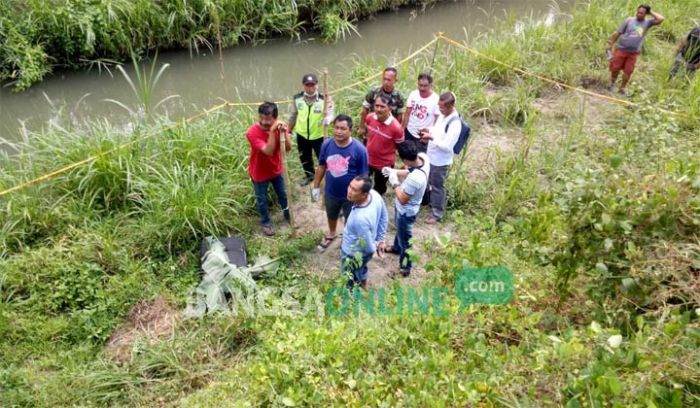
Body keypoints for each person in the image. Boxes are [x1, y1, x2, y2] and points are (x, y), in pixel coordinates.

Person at [311, 114, 369, 251]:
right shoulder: (326, 145)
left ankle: (348, 240)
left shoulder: (359, 149)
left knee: (351, 219)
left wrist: (361, 196)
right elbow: (321, 166)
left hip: (351, 196)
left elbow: (364, 176)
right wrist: (316, 187)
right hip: (331, 191)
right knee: (331, 213)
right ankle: (331, 234)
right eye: (336, 127)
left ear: (350, 130)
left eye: (343, 128)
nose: (339, 131)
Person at [382, 142, 430, 277]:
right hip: (405, 208)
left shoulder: (415, 179)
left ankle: (405, 267)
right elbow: (410, 170)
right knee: (400, 231)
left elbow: (403, 199)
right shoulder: (423, 158)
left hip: (406, 211)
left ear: (405, 160)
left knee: (406, 240)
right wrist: (394, 171)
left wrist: (394, 182)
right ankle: (396, 248)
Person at [245, 101, 292, 236]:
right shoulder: (252, 133)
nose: (264, 122)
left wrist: (285, 133)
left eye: (268, 120)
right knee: (262, 199)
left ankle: (288, 215)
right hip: (259, 172)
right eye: (262, 118)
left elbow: (288, 148)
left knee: (283, 194)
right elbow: (269, 151)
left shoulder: (280, 126)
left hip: (275, 168)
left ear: (275, 118)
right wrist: (272, 131)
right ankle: (266, 222)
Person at [420, 92, 460, 225]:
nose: (440, 109)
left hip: (440, 161)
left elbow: (447, 146)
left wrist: (431, 138)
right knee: (427, 181)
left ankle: (437, 213)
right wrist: (429, 130)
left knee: (437, 186)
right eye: (439, 106)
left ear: (450, 106)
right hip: (431, 156)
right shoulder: (443, 116)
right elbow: (438, 130)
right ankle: (427, 202)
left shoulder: (455, 124)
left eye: (442, 107)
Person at [341, 175, 388, 289]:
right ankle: (364, 285)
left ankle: (352, 297)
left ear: (364, 194)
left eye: (354, 190)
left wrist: (376, 245)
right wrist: (380, 240)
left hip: (353, 253)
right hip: (364, 252)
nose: (349, 191)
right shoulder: (374, 195)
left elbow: (369, 248)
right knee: (362, 268)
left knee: (349, 277)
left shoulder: (360, 219)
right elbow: (384, 216)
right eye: (350, 186)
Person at [606, 4, 664, 96]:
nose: (639, 14)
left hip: (633, 53)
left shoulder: (647, 23)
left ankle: (622, 88)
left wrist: (651, 12)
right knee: (615, 68)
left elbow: (661, 19)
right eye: (638, 12)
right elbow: (617, 33)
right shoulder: (629, 20)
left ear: (646, 14)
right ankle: (612, 84)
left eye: (642, 13)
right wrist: (610, 44)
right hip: (621, 49)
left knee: (628, 71)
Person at [288, 73, 334, 186]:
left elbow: (331, 113)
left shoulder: (325, 99)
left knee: (323, 158)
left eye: (312, 85)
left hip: (319, 136)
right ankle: (310, 175)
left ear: (317, 85)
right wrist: (288, 131)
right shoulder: (297, 99)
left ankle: (329, 177)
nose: (310, 87)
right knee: (305, 157)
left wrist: (328, 118)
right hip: (302, 135)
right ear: (303, 86)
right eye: (307, 85)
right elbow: (293, 116)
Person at [364, 95, 404, 196]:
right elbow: (367, 136)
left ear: (390, 108)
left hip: (384, 165)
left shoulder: (396, 128)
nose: (379, 109)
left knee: (379, 189)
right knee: (362, 185)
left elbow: (400, 147)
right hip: (368, 160)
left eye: (382, 106)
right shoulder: (369, 118)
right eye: (376, 106)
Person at [358, 67, 405, 139]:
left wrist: (396, 130)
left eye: (389, 80)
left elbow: (399, 116)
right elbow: (365, 110)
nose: (386, 82)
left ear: (395, 80)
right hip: (372, 126)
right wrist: (362, 127)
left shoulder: (398, 96)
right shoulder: (374, 92)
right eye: (384, 79)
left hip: (388, 129)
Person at [403, 73, 439, 153]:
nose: (422, 88)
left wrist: (430, 135)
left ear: (430, 85)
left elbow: (437, 120)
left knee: (420, 158)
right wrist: (403, 129)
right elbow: (407, 113)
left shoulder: (436, 99)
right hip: (409, 131)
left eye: (425, 86)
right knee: (407, 155)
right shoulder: (413, 94)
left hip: (422, 135)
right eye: (420, 85)